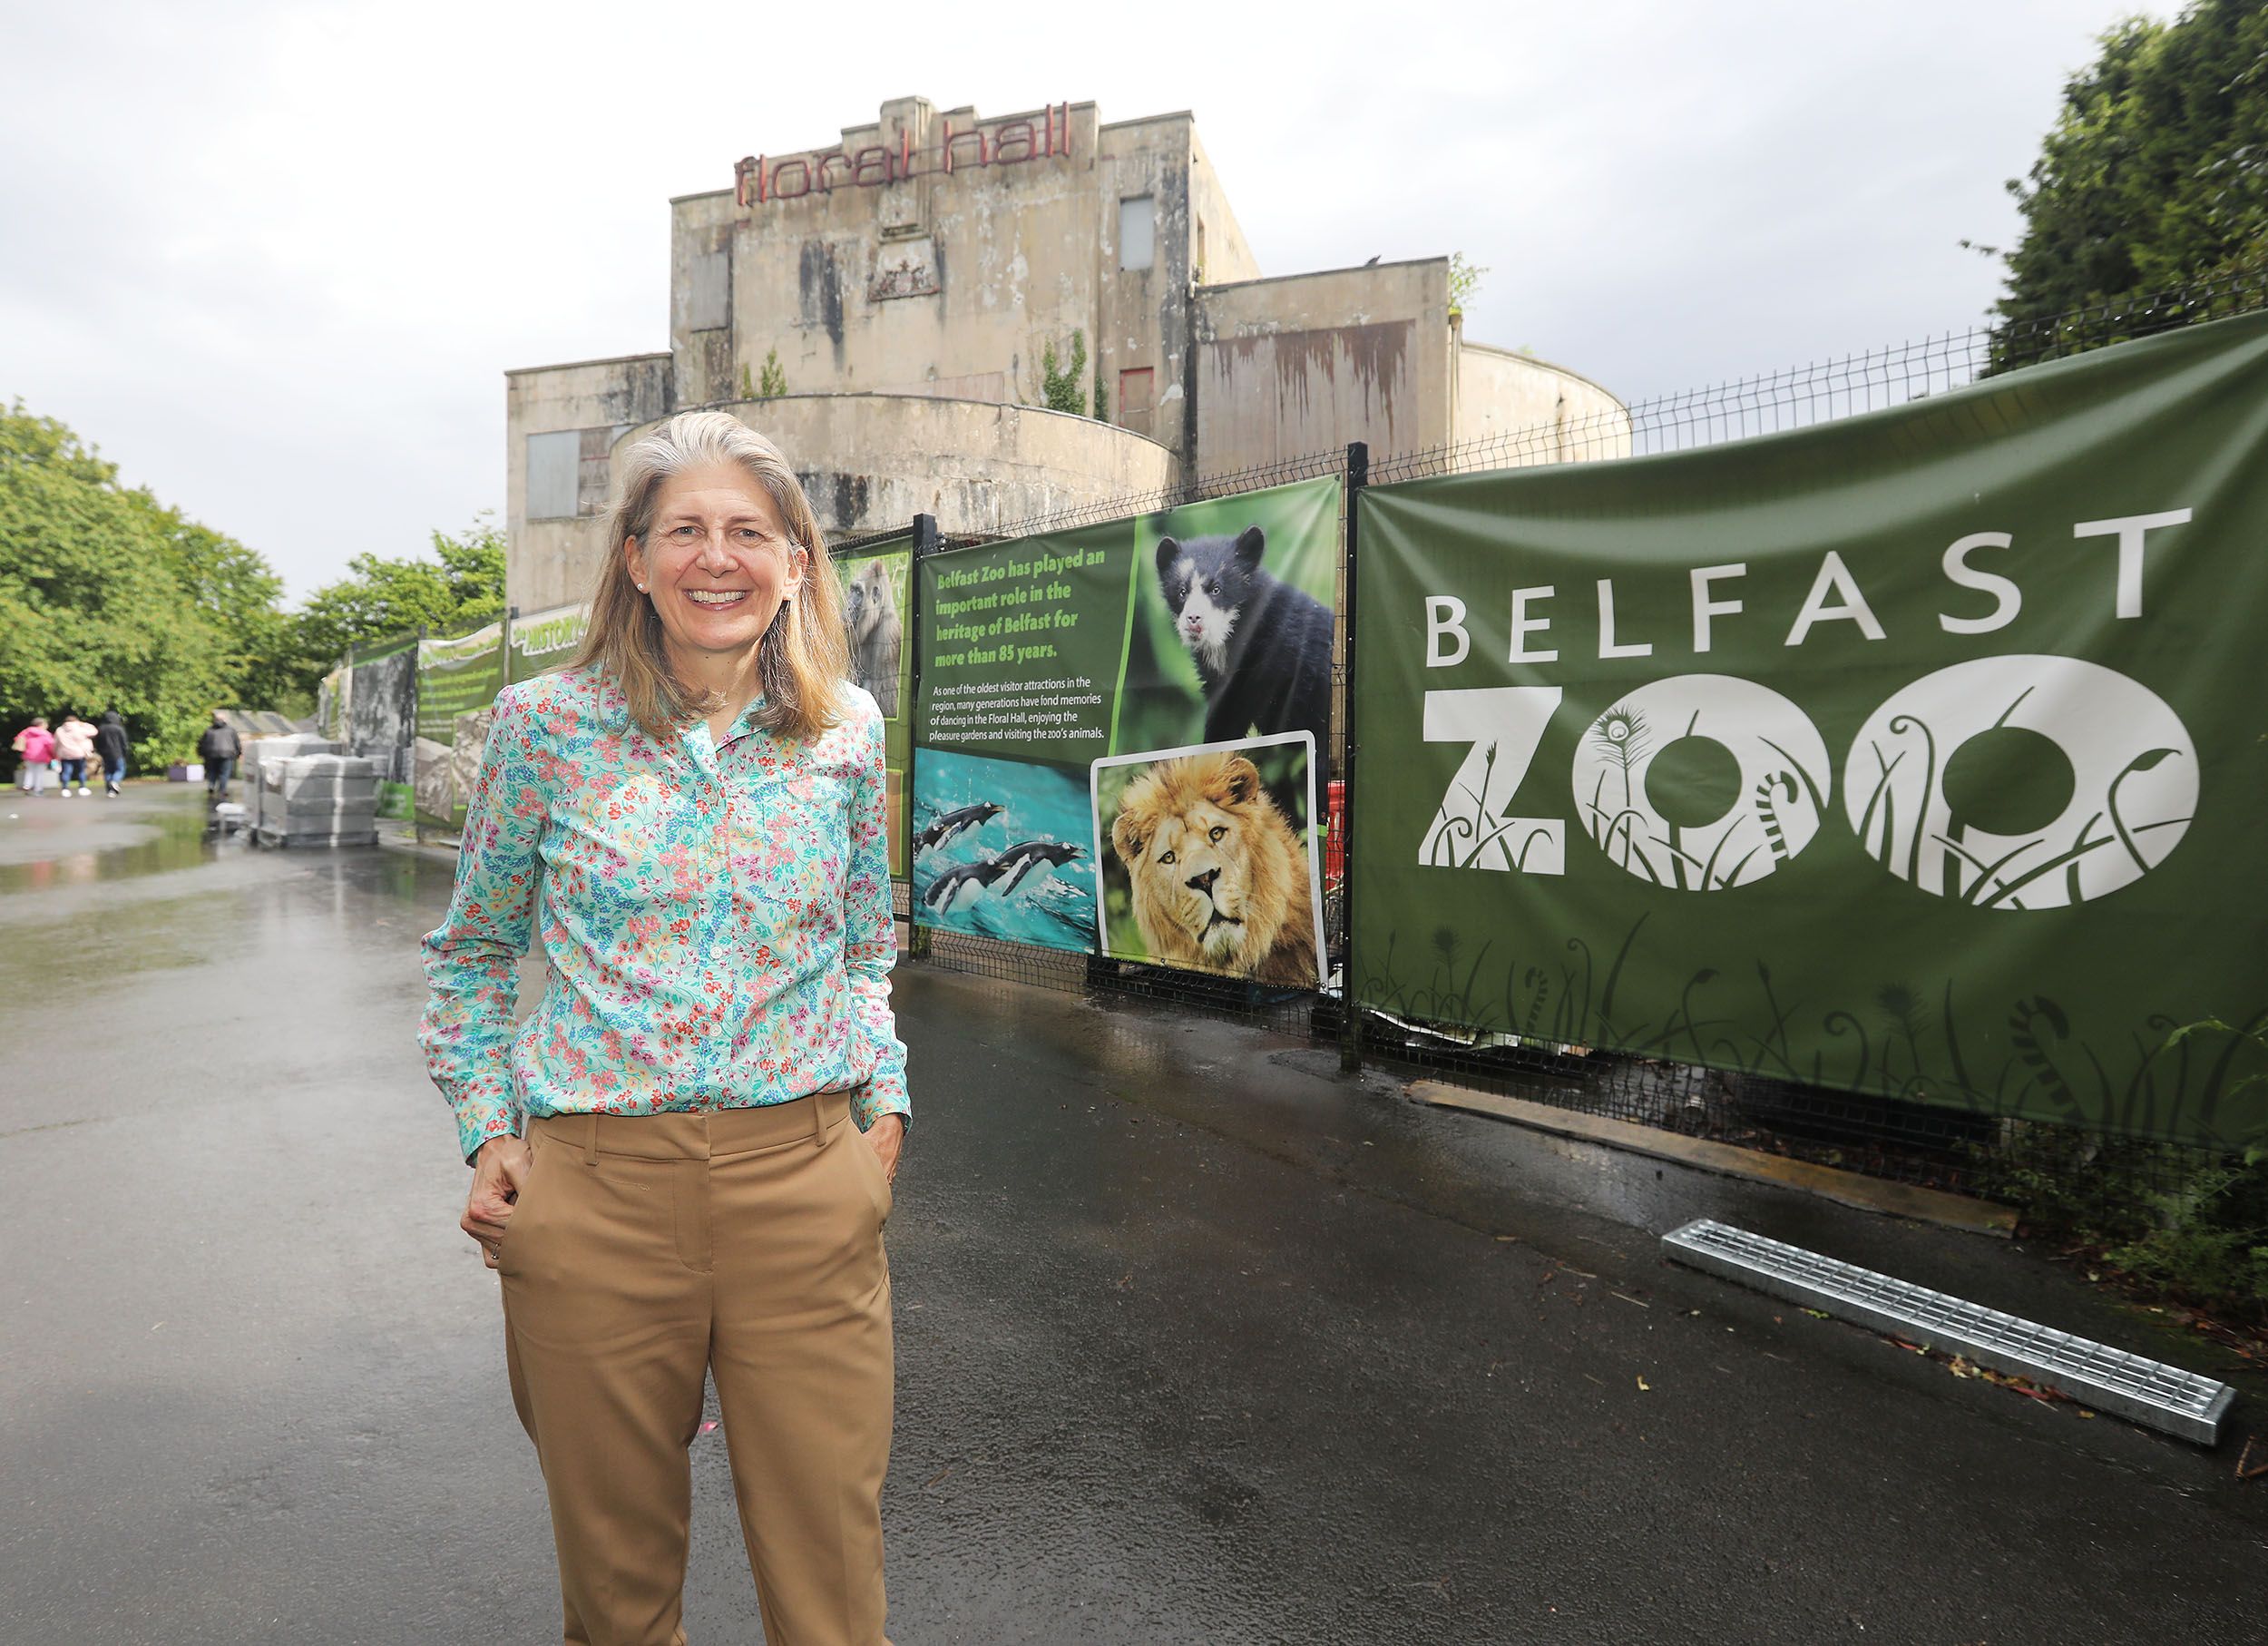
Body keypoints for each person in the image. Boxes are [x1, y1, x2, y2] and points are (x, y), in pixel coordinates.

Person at [420, 410, 908, 1646]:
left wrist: (882, 1108)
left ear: (796, 560)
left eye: (750, 530)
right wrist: (489, 1131)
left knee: (832, 1597)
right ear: (634, 560)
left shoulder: (846, 727)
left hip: (804, 1185)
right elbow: (476, 950)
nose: (717, 557)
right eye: (683, 528)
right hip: (597, 1197)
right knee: (619, 1602)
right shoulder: (544, 726)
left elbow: (863, 944)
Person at [197, 712, 241, 803]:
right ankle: (222, 790)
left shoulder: (209, 730)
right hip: (227, 754)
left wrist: (201, 753)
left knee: (212, 771)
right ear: (225, 720)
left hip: (211, 754)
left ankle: (211, 786)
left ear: (215, 720)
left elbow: (201, 743)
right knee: (224, 773)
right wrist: (238, 753)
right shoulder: (231, 730)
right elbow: (237, 743)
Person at [53, 712, 98, 797]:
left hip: (65, 754)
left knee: (66, 772)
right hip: (79, 753)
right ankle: (82, 788)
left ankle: (65, 789)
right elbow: (94, 731)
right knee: (81, 771)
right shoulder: (79, 729)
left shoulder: (59, 730)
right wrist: (84, 724)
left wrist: (55, 752)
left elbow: (55, 743)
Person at [11, 716, 55, 796]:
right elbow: (50, 745)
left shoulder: (27, 731)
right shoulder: (46, 734)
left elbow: (18, 739)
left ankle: (27, 786)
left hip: (29, 754)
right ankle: (38, 789)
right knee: (39, 773)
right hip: (41, 755)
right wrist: (53, 755)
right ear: (41, 724)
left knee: (30, 771)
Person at [93, 710, 130, 798]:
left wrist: (100, 752)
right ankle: (114, 781)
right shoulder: (119, 729)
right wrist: (125, 752)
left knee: (108, 771)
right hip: (118, 753)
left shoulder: (101, 728)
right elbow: (124, 743)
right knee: (119, 770)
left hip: (105, 754)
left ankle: (110, 790)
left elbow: (98, 742)